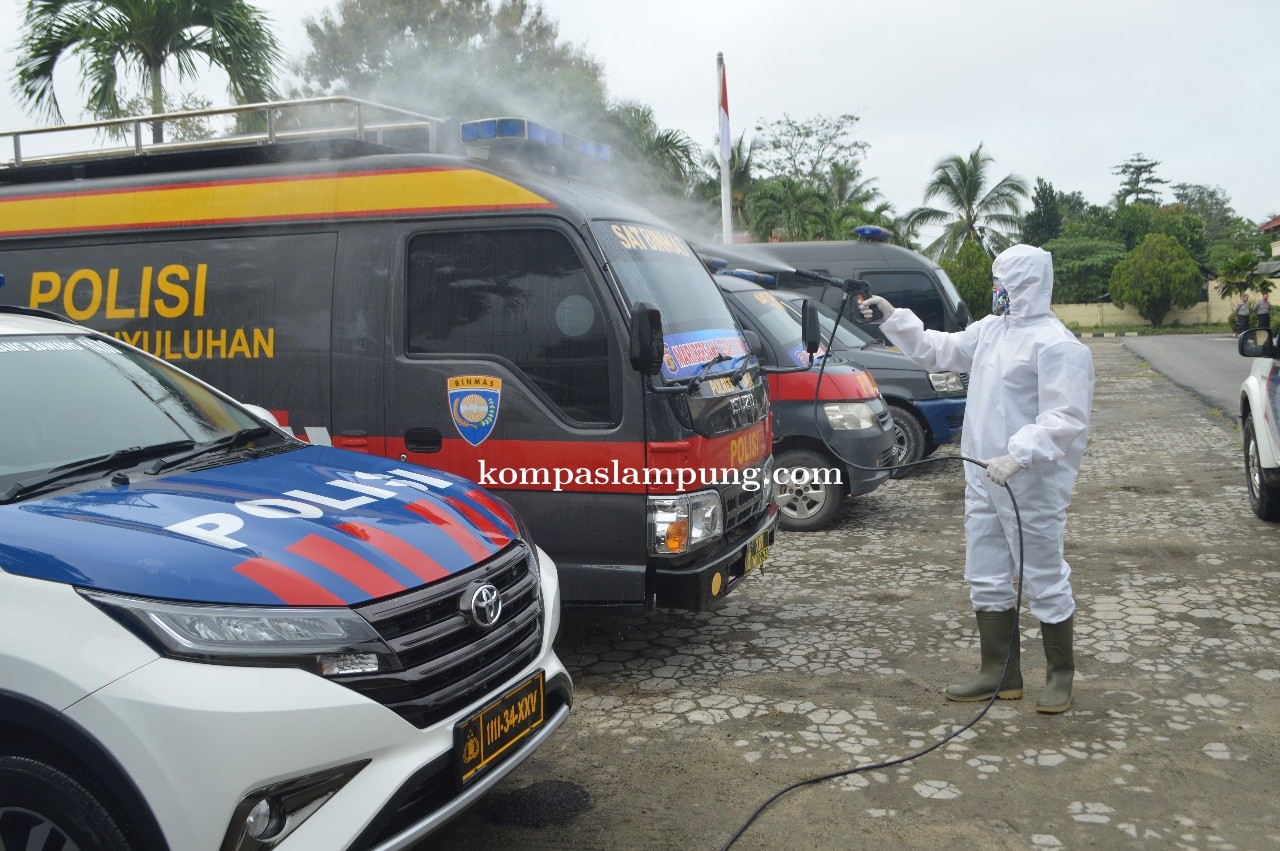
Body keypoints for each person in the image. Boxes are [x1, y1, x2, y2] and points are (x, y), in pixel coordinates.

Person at [860, 244, 1094, 714]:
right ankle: (1000, 672)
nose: (996, 290)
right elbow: (939, 350)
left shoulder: (1057, 345)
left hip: (1029, 482)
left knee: (1042, 575)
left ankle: (1060, 674)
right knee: (985, 572)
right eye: (996, 282)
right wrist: (893, 319)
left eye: (1002, 282)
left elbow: (1065, 418)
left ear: (1025, 285)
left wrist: (1018, 454)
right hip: (983, 474)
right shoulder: (992, 329)